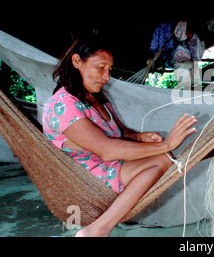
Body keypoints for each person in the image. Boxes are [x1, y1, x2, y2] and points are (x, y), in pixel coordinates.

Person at [42, 39, 198, 237]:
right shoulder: (62, 105)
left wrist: (140, 136)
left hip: (110, 165)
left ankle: (99, 228)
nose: (106, 76)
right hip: (85, 178)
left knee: (165, 157)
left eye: (109, 69)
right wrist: (167, 143)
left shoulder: (96, 97)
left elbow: (119, 131)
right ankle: (100, 228)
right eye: (100, 68)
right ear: (77, 61)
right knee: (164, 155)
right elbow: (107, 150)